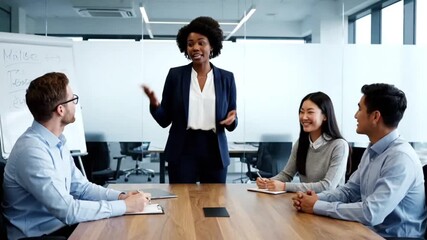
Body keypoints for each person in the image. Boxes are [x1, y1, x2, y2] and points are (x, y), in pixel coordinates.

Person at [2, 72, 150, 240]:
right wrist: (125, 206)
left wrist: (120, 197)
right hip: (38, 236)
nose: (76, 105)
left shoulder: (56, 142)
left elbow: (81, 188)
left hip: (59, 227)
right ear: (60, 109)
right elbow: (69, 211)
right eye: (73, 99)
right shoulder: (32, 152)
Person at [292, 83, 427, 238]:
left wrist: (317, 206)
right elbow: (349, 191)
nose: (356, 115)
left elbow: (371, 213)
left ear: (375, 116)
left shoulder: (401, 158)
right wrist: (315, 198)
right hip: (368, 231)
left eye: (360, 109)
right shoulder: (373, 149)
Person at [142, 16, 237, 183]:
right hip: (183, 148)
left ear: (212, 45)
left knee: (215, 203)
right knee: (181, 202)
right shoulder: (175, 76)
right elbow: (165, 120)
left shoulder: (226, 78)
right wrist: (155, 104)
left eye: (201, 43)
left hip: (214, 149)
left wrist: (232, 120)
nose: (195, 48)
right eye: (190, 43)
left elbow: (232, 116)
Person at [256, 92, 349, 193]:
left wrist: (284, 186)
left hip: (329, 206)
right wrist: (269, 182)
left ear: (325, 116)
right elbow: (287, 175)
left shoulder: (339, 145)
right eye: (302, 112)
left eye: (310, 112)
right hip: (304, 202)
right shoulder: (302, 143)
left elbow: (327, 186)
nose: (304, 117)